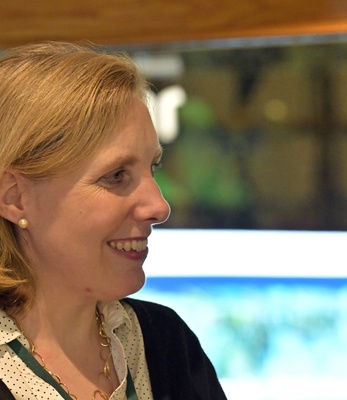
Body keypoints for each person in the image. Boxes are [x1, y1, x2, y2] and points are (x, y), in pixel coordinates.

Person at [0, 42, 227, 400]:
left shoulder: (167, 344)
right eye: (116, 175)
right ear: (14, 197)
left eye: (153, 167)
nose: (159, 206)